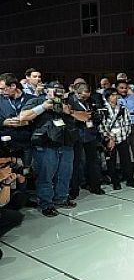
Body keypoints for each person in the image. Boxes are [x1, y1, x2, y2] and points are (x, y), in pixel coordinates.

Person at [19, 81, 78, 217]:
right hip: (45, 144)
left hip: (65, 142)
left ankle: (61, 198)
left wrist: (68, 110)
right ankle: (46, 203)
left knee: (65, 173)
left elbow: (83, 115)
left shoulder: (67, 103)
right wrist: (43, 107)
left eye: (61, 90)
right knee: (45, 175)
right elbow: (23, 117)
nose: (58, 93)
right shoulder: (37, 101)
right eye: (55, 90)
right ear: (47, 90)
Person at [67, 82, 105, 198]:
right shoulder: (69, 102)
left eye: (87, 95)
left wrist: (96, 115)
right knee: (76, 163)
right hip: (76, 134)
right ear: (76, 93)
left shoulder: (91, 100)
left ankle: (95, 186)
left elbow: (96, 114)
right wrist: (79, 116)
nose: (85, 98)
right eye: (82, 96)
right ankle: (74, 189)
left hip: (90, 133)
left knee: (94, 161)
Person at [99, 88, 134, 190]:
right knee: (111, 161)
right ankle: (115, 182)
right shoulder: (103, 110)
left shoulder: (122, 108)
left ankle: (130, 179)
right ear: (107, 97)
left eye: (116, 95)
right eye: (112, 95)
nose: (115, 97)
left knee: (126, 160)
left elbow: (127, 123)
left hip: (122, 137)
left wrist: (125, 135)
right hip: (109, 139)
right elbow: (101, 125)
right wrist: (109, 137)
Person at [0, 74, 34, 167]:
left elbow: (40, 120)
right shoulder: (0, 99)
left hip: (26, 144)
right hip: (5, 145)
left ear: (13, 86)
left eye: (3, 89)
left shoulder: (31, 99)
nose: (1, 92)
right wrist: (3, 122)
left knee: (26, 174)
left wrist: (27, 121)